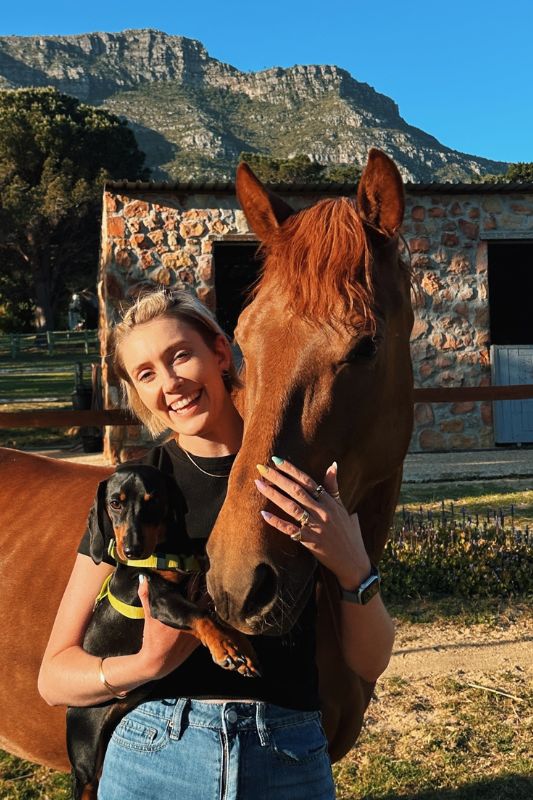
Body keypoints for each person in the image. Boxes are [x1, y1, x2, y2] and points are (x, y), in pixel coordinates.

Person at [38, 289, 395, 799]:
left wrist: (352, 564)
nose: (170, 383)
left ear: (221, 353)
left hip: (287, 754)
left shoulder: (301, 474)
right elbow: (54, 679)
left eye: (180, 356)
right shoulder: (134, 492)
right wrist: (146, 667)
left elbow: (370, 661)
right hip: (150, 752)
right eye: (146, 374)